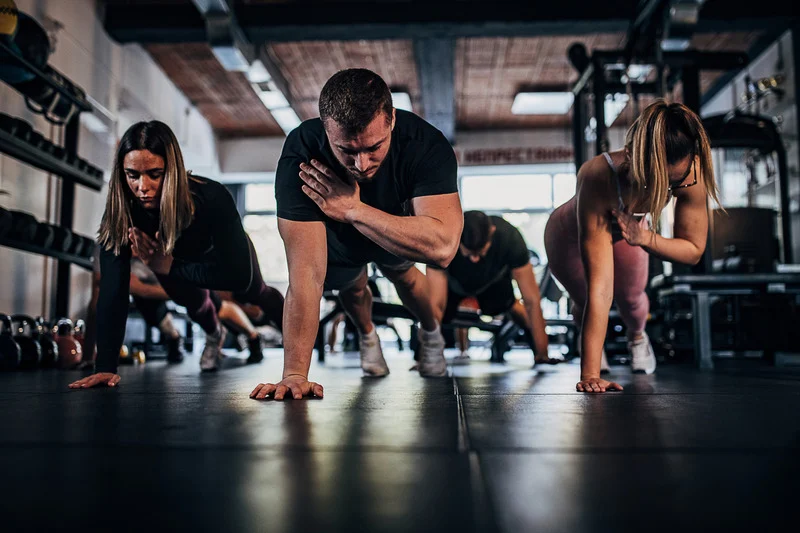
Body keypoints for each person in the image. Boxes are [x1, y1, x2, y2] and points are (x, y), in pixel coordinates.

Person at [250, 68, 462, 401]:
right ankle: (367, 337)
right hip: (336, 233)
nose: (361, 165)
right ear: (325, 128)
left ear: (391, 119)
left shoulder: (425, 145)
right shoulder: (302, 152)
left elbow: (444, 247)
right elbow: (305, 276)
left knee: (406, 279)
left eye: (374, 148)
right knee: (353, 286)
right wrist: (294, 374)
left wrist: (353, 209)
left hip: (393, 225)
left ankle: (432, 335)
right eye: (347, 151)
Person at [69, 120, 284, 389]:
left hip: (222, 256)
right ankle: (215, 333)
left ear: (173, 170)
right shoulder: (122, 212)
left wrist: (168, 265)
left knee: (254, 291)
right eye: (132, 175)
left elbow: (238, 277)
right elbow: (113, 289)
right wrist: (105, 366)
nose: (142, 187)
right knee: (189, 299)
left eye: (155, 174)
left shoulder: (211, 196)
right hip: (173, 260)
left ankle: (304, 352)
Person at [544, 100, 720, 393]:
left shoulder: (691, 171)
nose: (665, 189)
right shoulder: (597, 174)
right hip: (567, 236)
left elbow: (692, 250)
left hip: (627, 230)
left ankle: (637, 337)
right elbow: (601, 287)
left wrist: (644, 238)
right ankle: (592, 351)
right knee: (586, 296)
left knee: (632, 300)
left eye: (671, 183)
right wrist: (590, 375)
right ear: (635, 159)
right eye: (659, 180)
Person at [427, 210, 557, 365]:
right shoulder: (443, 239)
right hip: (453, 285)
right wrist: (427, 356)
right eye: (469, 253)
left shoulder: (510, 238)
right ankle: (423, 354)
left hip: (493, 284)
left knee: (515, 306)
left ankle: (539, 351)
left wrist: (543, 354)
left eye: (480, 252)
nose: (474, 259)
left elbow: (532, 300)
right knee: (430, 310)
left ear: (492, 233)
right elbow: (435, 303)